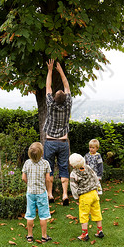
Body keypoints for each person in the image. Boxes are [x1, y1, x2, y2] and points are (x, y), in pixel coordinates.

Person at [43, 59, 72, 206]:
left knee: (49, 168)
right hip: (63, 142)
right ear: (64, 97)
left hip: (49, 142)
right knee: (63, 168)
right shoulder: (67, 105)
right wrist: (61, 72)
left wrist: (50, 70)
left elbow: (48, 86)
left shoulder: (50, 104)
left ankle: (50, 194)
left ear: (54, 98)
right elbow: (66, 85)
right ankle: (65, 194)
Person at [69, 153, 104, 241]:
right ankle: (100, 231)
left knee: (84, 214)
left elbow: (74, 188)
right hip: (94, 193)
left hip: (85, 196)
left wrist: (76, 198)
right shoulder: (88, 167)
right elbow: (95, 177)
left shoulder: (73, 174)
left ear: (72, 165)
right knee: (96, 212)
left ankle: (85, 234)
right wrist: (98, 189)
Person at [22, 142, 52, 243]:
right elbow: (48, 179)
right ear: (41, 153)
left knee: (30, 214)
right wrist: (48, 191)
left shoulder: (27, 163)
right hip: (41, 192)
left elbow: (23, 177)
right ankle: (44, 237)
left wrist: (29, 184)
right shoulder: (45, 163)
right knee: (43, 215)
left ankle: (30, 236)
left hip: (30, 193)